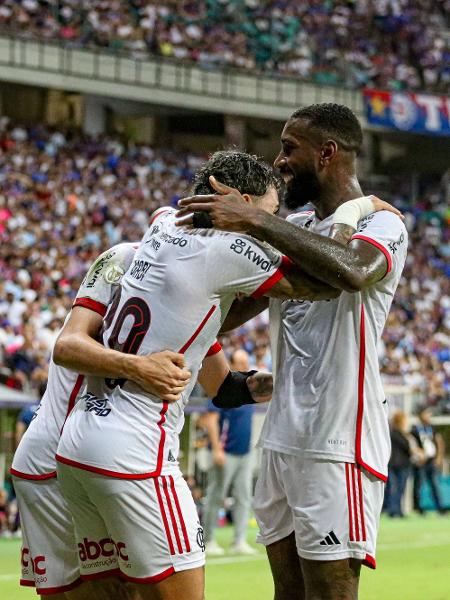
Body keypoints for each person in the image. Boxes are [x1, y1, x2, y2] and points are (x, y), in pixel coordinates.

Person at [54, 150, 366, 600]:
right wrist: (352, 212)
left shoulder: (163, 220)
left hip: (79, 448)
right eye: (268, 213)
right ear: (237, 202)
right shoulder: (229, 248)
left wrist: (279, 384)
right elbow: (332, 278)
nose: (269, 225)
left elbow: (221, 373)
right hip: (136, 453)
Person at [177, 103, 408, 600]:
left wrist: (255, 222)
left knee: (331, 593)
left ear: (327, 153)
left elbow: (351, 271)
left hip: (338, 442)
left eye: (288, 148)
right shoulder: (299, 224)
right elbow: (236, 307)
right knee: (288, 592)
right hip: (282, 437)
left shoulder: (384, 227)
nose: (278, 162)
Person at [12, 243, 191, 599]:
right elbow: (67, 350)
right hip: (60, 462)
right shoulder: (130, 274)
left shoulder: (126, 293)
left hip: (52, 459)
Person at [203, 348, 258, 556]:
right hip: (225, 452)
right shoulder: (224, 387)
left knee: (244, 497)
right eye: (241, 363)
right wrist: (217, 449)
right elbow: (211, 419)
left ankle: (239, 540)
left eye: (247, 362)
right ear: (233, 365)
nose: (245, 366)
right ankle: (208, 541)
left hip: (245, 452)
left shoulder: (251, 390)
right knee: (215, 496)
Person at [385, 411, 422, 518]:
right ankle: (393, 511)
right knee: (395, 489)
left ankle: (398, 511)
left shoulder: (401, 433)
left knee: (400, 489)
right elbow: (407, 446)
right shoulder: (396, 433)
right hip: (397, 465)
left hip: (402, 465)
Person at [411, 407, 446, 515]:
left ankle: (440, 508)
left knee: (435, 484)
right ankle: (418, 508)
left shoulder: (432, 428)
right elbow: (411, 443)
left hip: (431, 461)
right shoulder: (415, 429)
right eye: (427, 413)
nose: (429, 416)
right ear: (421, 415)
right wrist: (418, 455)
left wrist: (439, 457)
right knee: (418, 485)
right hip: (420, 461)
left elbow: (439, 442)